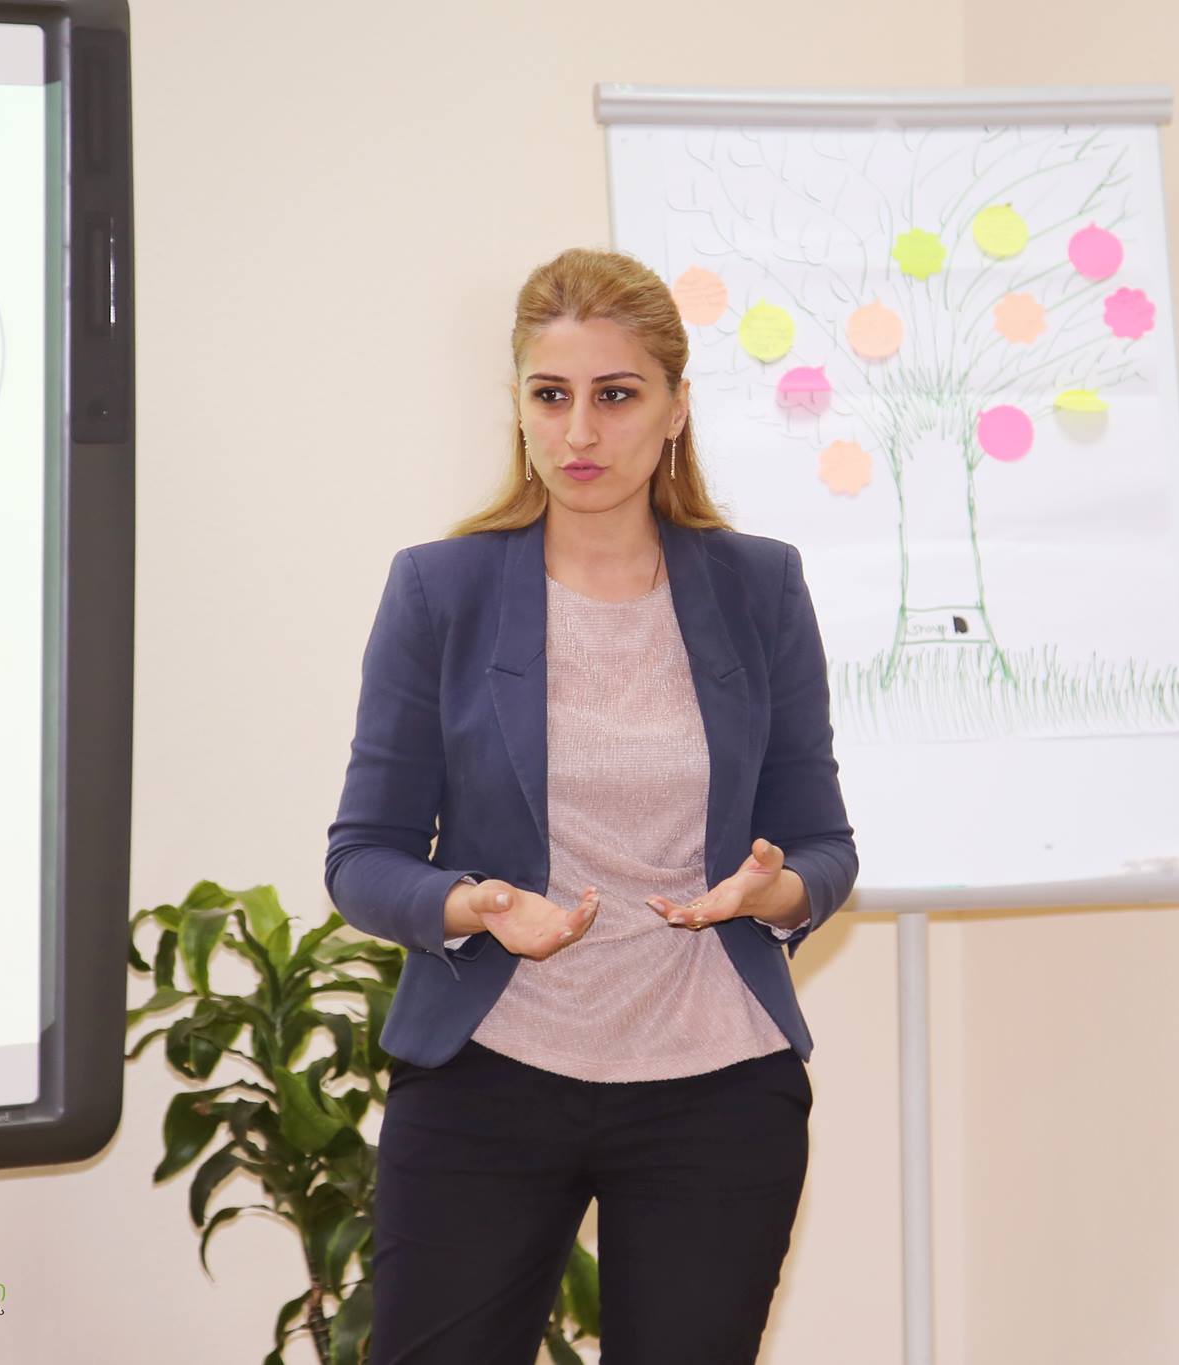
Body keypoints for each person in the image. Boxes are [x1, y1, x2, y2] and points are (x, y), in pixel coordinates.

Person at [323, 246, 858, 1364]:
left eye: (615, 396)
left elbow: (821, 843)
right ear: (518, 407)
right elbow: (363, 857)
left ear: (674, 408)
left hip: (715, 1081)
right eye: (549, 395)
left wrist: (772, 892)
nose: (579, 432)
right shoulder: (440, 589)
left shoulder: (760, 587)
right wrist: (473, 904)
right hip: (487, 1073)